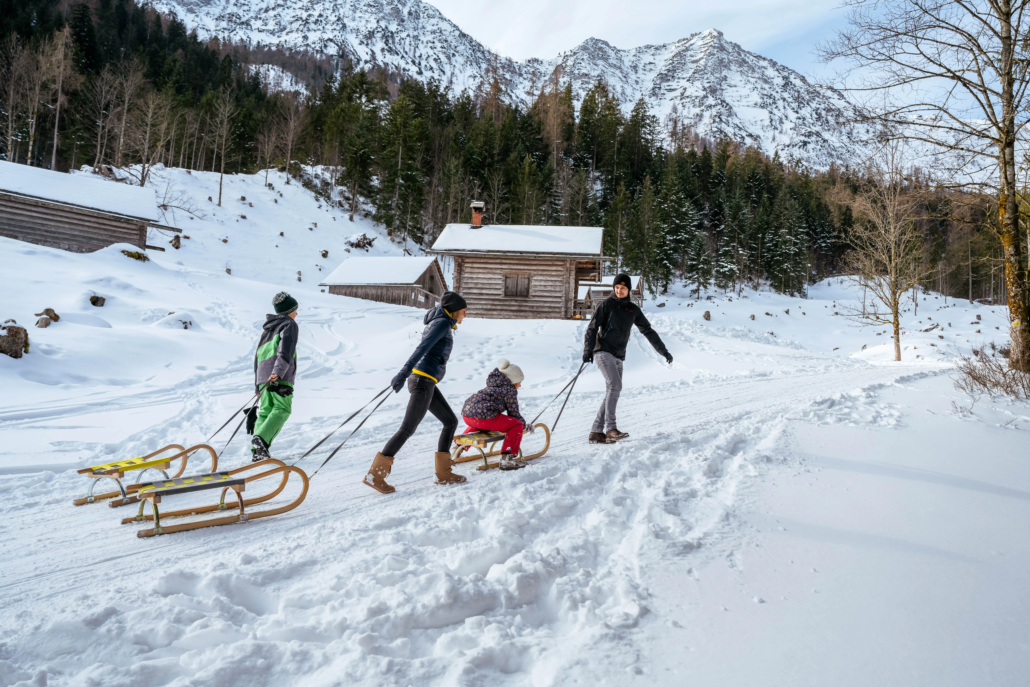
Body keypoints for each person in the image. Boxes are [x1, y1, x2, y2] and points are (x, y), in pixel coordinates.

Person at [363, 292, 469, 493]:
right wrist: (403, 373)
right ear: (455, 310)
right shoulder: (442, 324)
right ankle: (375, 475)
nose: (465, 316)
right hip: (422, 380)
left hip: (426, 381)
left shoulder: (442, 322)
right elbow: (421, 349)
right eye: (464, 311)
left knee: (450, 422)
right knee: (407, 429)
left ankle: (443, 474)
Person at [582, 273, 672, 444]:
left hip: (619, 356)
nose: (619, 290)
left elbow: (648, 331)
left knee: (612, 390)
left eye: (623, 288)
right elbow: (592, 328)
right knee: (615, 385)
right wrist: (588, 351)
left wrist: (664, 351)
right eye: (616, 287)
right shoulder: (606, 305)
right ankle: (610, 429)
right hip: (603, 351)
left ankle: (596, 431)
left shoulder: (633, 309)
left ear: (628, 289)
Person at [461, 359, 534, 471]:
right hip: (484, 416)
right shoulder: (509, 389)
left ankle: (458, 447)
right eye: (520, 381)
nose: (520, 385)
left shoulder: (494, 385)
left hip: (467, 415)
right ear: (514, 381)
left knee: (480, 422)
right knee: (516, 425)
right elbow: (514, 413)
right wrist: (524, 426)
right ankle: (507, 459)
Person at [251, 292, 299, 461]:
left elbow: (257, 357)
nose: (297, 314)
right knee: (282, 409)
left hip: (264, 378)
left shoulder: (268, 329)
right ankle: (262, 441)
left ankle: (257, 451)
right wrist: (277, 372)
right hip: (280, 376)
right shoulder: (289, 324)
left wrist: (257, 385)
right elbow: (285, 351)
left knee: (264, 412)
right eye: (295, 310)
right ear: (289, 311)